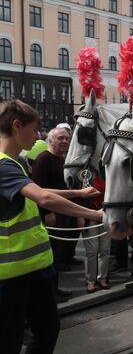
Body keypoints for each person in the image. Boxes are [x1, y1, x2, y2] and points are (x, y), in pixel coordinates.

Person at [0, 99, 102, 354]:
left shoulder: (15, 163)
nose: (38, 136)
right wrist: (97, 215)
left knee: (46, 330)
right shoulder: (3, 165)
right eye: (34, 130)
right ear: (16, 126)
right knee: (11, 341)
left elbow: (38, 191)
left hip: (33, 269)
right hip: (12, 276)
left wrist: (78, 192)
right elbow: (44, 198)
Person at [32, 128, 81, 301]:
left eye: (67, 139)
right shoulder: (44, 159)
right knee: (51, 254)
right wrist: (47, 212)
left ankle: (56, 289)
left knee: (58, 254)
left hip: (63, 212)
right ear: (51, 140)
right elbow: (37, 188)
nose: (65, 142)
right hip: (52, 214)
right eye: (60, 138)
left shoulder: (63, 159)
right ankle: (50, 293)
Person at [82, 175, 111, 293]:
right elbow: (79, 196)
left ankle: (102, 278)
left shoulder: (108, 173)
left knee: (105, 249)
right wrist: (80, 216)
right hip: (90, 214)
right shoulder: (85, 174)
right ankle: (90, 280)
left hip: (106, 214)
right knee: (92, 250)